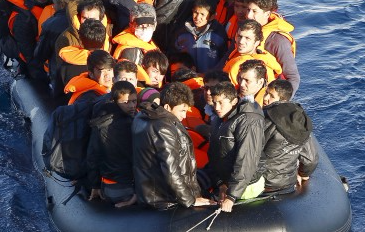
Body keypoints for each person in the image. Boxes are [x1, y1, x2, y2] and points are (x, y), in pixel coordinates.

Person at [131, 82, 214, 210]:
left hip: (151, 195)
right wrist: (189, 200)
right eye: (182, 110)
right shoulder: (164, 128)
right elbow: (171, 170)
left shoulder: (142, 118)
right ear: (168, 107)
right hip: (166, 200)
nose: (184, 115)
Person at [207, 81, 267, 212]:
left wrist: (232, 196)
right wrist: (220, 184)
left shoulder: (246, 122)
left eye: (221, 103)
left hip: (247, 186)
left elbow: (247, 160)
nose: (217, 107)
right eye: (215, 102)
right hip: (226, 182)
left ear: (234, 102)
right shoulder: (218, 120)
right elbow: (214, 154)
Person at [255, 79, 319, 193]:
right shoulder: (301, 122)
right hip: (288, 182)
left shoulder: (265, 120)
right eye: (266, 93)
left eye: (271, 96)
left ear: (283, 99)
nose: (265, 98)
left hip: (262, 183)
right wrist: (303, 174)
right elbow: (311, 159)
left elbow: (252, 152)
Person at [86, 81, 138, 207]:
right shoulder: (129, 125)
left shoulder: (100, 121)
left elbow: (93, 155)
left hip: (108, 188)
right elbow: (140, 161)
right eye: (126, 102)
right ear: (115, 101)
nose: (131, 106)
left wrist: (95, 185)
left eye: (134, 101)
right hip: (126, 189)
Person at [244, 0, 299, 97]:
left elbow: (293, 77)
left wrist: (280, 103)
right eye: (248, 10)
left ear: (267, 14)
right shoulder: (244, 32)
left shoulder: (278, 41)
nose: (249, 15)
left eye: (254, 11)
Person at [174, 0, 228, 73]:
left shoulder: (218, 34)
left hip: (209, 81)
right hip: (186, 79)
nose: (197, 17)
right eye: (196, 12)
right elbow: (174, 54)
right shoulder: (182, 31)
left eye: (203, 14)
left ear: (212, 16)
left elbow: (224, 59)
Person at [56, 19, 108, 100]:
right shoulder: (111, 66)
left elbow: (58, 92)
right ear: (104, 41)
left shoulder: (65, 63)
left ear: (80, 41)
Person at [221, 19, 282, 86]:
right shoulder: (235, 54)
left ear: (257, 42)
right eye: (239, 36)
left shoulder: (260, 67)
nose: (241, 41)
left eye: (247, 38)